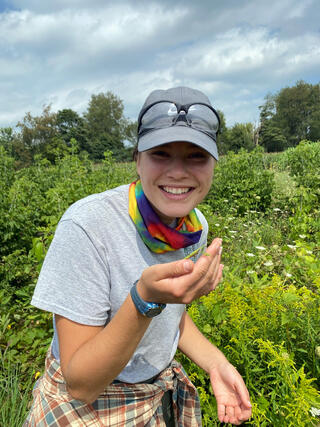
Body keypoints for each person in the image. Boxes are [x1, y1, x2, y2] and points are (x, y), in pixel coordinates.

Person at [24, 86, 252, 426]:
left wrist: (216, 363)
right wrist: (144, 299)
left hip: (153, 395)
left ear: (214, 164)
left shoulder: (194, 226)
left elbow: (172, 319)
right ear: (137, 159)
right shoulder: (88, 226)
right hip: (86, 407)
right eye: (161, 153)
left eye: (196, 156)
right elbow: (81, 383)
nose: (178, 172)